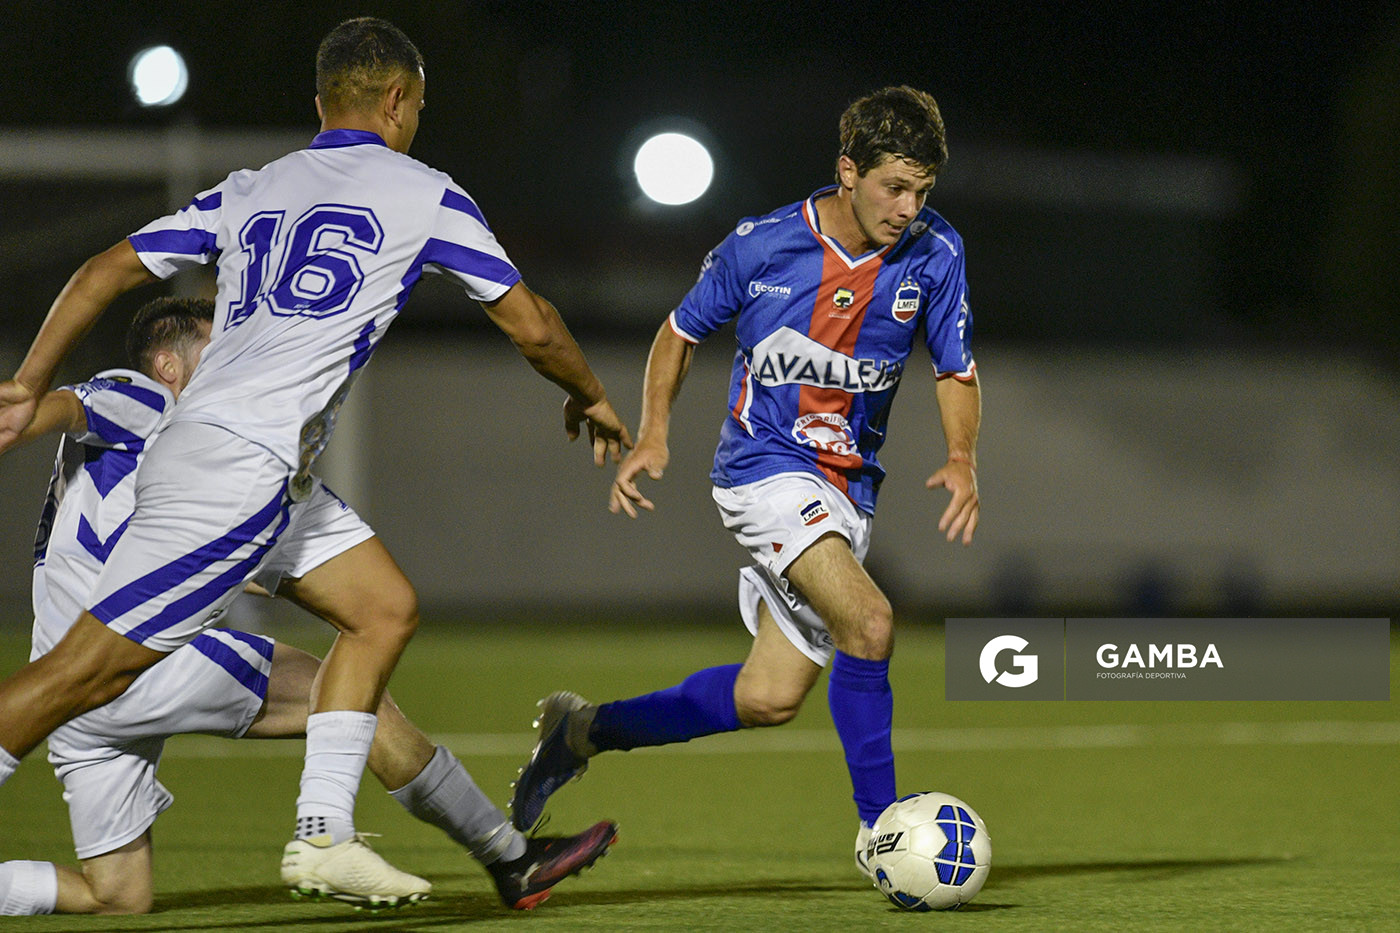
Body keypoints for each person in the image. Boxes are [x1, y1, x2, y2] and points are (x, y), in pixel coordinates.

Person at [0, 16, 629, 905]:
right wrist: (592, 394)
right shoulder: (426, 192)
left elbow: (107, 268)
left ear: (321, 102)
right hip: (233, 466)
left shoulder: (254, 185)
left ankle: (332, 833)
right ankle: (348, 839)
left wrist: (29, 380)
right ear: (400, 100)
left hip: (249, 462)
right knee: (80, 673)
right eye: (417, 106)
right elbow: (533, 323)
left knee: (382, 608)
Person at [0, 298, 616, 915]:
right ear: (167, 364)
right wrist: (27, 402)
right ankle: (509, 857)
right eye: (220, 347)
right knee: (349, 699)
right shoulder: (146, 397)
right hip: (131, 663)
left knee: (115, 895)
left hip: (68, 700)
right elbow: (68, 405)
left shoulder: (190, 469)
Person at [509, 86, 980, 882]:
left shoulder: (936, 252)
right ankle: (884, 838)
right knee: (870, 623)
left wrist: (962, 455)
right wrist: (655, 429)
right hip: (762, 469)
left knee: (768, 696)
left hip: (849, 490)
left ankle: (583, 731)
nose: (908, 207)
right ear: (847, 172)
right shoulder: (761, 246)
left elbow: (957, 368)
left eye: (922, 191)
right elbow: (680, 331)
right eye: (894, 187)